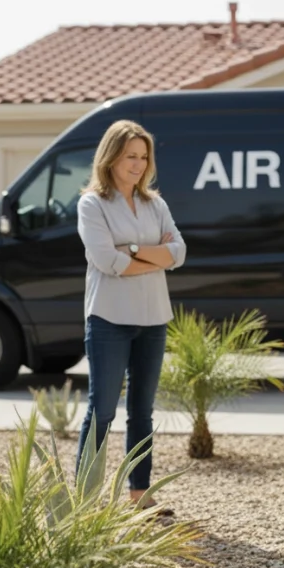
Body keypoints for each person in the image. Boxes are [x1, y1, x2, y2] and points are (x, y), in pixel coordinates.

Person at [75, 119, 186, 512]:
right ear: (111, 157)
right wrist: (155, 255)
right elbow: (107, 261)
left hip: (154, 319)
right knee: (102, 409)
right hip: (108, 319)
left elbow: (180, 252)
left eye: (143, 157)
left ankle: (140, 494)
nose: (138, 164)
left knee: (142, 412)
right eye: (130, 156)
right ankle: (84, 500)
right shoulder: (92, 204)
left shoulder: (155, 204)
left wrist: (133, 249)